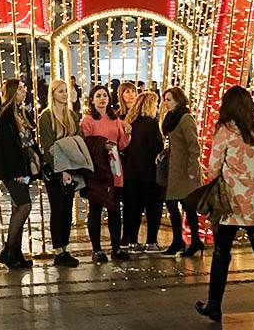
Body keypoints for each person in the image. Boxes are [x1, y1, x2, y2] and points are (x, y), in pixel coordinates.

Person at [196, 86, 254, 330]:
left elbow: (213, 167)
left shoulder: (225, 131)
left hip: (234, 203)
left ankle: (214, 304)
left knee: (221, 253)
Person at [81, 84, 130, 263]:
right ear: (92, 100)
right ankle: (97, 249)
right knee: (95, 209)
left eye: (105, 96)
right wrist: (103, 144)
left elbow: (122, 144)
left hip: (115, 169)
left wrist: (127, 134)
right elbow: (86, 144)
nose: (102, 99)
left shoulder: (115, 120)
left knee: (115, 210)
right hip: (97, 172)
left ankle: (116, 248)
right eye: (98, 96)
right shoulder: (88, 120)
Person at [0, 79, 38, 269]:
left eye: (24, 88)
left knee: (18, 208)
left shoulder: (21, 112)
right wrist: (17, 172)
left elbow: (28, 140)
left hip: (23, 169)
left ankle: (16, 253)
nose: (24, 91)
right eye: (20, 89)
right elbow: (7, 148)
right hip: (13, 171)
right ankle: (8, 251)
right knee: (25, 206)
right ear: (12, 92)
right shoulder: (5, 115)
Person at [37, 79, 81, 267]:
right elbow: (50, 148)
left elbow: (78, 140)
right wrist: (62, 168)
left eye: (66, 91)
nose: (64, 94)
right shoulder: (46, 116)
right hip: (54, 170)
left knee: (68, 208)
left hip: (72, 168)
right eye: (60, 91)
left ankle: (65, 247)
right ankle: (59, 249)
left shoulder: (71, 116)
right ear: (53, 94)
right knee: (58, 208)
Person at [161, 87, 203, 257]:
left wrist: (192, 169)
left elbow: (194, 146)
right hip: (175, 169)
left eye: (169, 99)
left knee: (187, 206)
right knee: (173, 204)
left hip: (185, 171)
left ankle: (191, 241)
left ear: (178, 100)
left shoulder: (185, 118)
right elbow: (173, 143)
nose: (166, 103)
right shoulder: (171, 118)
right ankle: (182, 240)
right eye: (165, 99)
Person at [122, 92, 165, 252]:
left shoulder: (132, 122)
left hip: (132, 173)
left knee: (133, 209)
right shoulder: (152, 124)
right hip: (150, 174)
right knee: (154, 208)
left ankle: (132, 241)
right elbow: (157, 148)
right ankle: (151, 242)